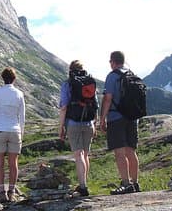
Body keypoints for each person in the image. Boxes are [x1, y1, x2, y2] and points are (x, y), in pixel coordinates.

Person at [100, 51, 141, 195]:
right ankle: (135, 183)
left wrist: (102, 118)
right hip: (132, 117)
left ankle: (125, 183)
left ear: (113, 61)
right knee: (131, 150)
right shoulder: (131, 74)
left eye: (110, 61)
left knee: (119, 152)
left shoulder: (112, 76)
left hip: (116, 117)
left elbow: (108, 98)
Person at [58, 60, 98, 197]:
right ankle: (84, 183)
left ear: (70, 69)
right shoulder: (89, 82)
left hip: (73, 122)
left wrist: (61, 127)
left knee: (78, 155)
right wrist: (95, 122)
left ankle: (83, 186)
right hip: (89, 122)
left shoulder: (68, 83)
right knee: (85, 154)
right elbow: (95, 104)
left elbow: (63, 106)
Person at [0, 67, 25, 204]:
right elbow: (22, 116)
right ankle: (12, 192)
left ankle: (1, 192)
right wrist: (21, 132)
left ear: (2, 78)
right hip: (15, 130)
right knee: (13, 163)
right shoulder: (19, 94)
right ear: (14, 79)